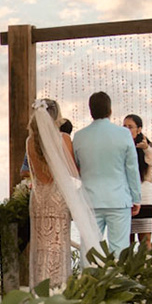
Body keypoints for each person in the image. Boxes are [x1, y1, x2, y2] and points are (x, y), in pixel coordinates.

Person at [27, 98, 101, 287]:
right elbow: (72, 172)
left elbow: (34, 172)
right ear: (56, 116)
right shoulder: (63, 139)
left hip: (39, 198)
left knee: (41, 246)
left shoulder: (29, 142)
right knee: (59, 245)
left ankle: (40, 287)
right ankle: (58, 288)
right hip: (58, 196)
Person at [72, 91, 142, 248]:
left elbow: (76, 168)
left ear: (90, 111)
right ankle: (117, 273)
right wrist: (136, 197)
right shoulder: (123, 134)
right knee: (119, 249)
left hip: (89, 199)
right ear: (110, 111)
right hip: (118, 199)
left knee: (90, 248)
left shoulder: (79, 136)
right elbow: (132, 168)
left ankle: (89, 273)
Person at [124, 115, 152, 245]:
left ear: (139, 129)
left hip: (144, 196)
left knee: (145, 241)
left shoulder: (147, 146)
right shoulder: (122, 145)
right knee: (126, 242)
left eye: (130, 127)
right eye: (125, 127)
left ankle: (148, 265)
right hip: (126, 197)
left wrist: (146, 149)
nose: (127, 129)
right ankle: (127, 265)